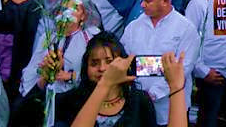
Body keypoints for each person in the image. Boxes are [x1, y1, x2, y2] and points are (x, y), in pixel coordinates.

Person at [11, 31, 157, 126]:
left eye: (109, 61)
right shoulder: (72, 100)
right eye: (94, 63)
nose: (102, 68)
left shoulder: (139, 100)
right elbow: (22, 116)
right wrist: (45, 78)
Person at [120, 0, 199, 126]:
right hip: (137, 108)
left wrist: (153, 94)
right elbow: (125, 59)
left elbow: (184, 68)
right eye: (141, 0)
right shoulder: (133, 27)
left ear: (165, 1)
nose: (142, 5)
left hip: (170, 108)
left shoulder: (185, 28)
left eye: (147, 1)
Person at [20, 0, 102, 95]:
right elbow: (32, 69)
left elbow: (100, 70)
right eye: (63, 9)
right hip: (49, 96)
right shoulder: (48, 37)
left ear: (84, 15)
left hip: (80, 97)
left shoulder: (93, 37)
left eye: (74, 9)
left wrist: (71, 76)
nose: (67, 13)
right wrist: (43, 72)